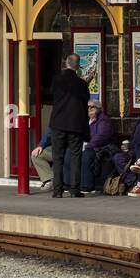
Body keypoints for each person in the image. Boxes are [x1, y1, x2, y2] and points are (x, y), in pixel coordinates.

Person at [49, 54, 90, 198]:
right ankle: (74, 190)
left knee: (57, 157)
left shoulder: (57, 79)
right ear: (77, 66)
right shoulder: (81, 84)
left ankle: (57, 191)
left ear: (66, 63)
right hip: (75, 125)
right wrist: (86, 82)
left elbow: (52, 94)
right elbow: (85, 98)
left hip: (58, 123)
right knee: (75, 157)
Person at [80, 100, 117, 193]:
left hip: (101, 148)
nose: (89, 109)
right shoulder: (86, 120)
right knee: (69, 153)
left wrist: (87, 145)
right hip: (90, 146)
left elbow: (101, 137)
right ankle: (68, 184)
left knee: (86, 156)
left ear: (98, 109)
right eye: (88, 107)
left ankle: (86, 186)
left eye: (92, 107)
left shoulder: (103, 120)